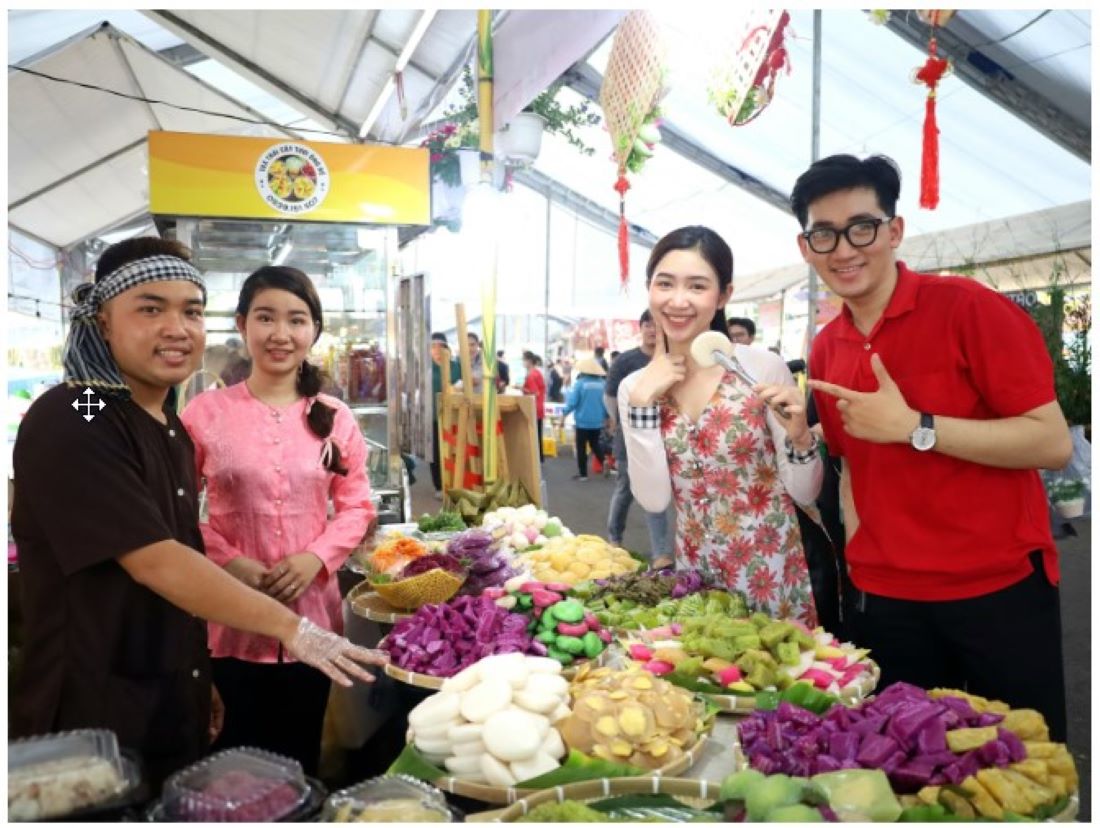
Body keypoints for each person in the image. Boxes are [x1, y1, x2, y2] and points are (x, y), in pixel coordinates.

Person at [10, 238, 384, 790]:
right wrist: (290, 627)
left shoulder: (160, 421)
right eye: (150, 308)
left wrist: (194, 675)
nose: (177, 327)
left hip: (165, 693)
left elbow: (185, 533)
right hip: (93, 711)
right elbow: (158, 560)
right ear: (102, 320)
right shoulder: (79, 412)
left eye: (190, 310)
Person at [794, 154, 1072, 739]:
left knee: (1022, 775)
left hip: (996, 593)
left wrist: (917, 426)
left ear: (894, 231)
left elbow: (1050, 442)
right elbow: (851, 470)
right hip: (886, 601)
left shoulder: (968, 308)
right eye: (825, 233)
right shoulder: (826, 347)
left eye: (861, 227)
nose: (844, 249)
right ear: (807, 247)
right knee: (905, 773)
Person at [181, 266, 377, 774]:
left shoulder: (334, 416)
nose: (281, 334)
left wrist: (316, 557)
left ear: (314, 330)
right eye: (266, 317)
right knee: (230, 766)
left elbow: (357, 505)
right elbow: (176, 509)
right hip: (228, 624)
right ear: (244, 325)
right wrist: (229, 561)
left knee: (300, 760)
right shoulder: (205, 413)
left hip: (313, 625)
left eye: (296, 320)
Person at [620, 226, 822, 622]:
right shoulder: (636, 387)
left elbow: (804, 491)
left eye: (697, 286)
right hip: (698, 580)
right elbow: (655, 501)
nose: (678, 301)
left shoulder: (761, 367)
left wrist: (800, 437)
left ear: (723, 295)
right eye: (665, 284)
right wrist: (644, 404)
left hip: (775, 575)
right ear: (650, 289)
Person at [605, 310, 670, 562]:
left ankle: (661, 552)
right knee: (625, 489)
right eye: (648, 324)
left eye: (658, 325)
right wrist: (623, 422)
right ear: (641, 328)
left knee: (659, 494)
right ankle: (614, 538)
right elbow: (610, 398)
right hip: (629, 438)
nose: (654, 329)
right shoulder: (626, 361)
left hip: (665, 440)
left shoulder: (674, 360)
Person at [563, 356, 608, 481]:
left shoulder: (580, 384)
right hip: (597, 421)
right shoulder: (603, 384)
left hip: (582, 422)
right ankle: (603, 460)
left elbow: (572, 402)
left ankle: (583, 474)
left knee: (581, 447)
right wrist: (607, 417)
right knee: (595, 444)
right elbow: (606, 403)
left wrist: (564, 414)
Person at [430, 332, 460, 498]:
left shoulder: (456, 366)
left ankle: (455, 483)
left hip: (454, 416)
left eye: (440, 346)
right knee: (435, 452)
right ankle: (439, 485)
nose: (436, 350)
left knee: (454, 449)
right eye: (433, 347)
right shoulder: (426, 368)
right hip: (433, 416)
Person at [520, 351, 547, 463]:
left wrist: (522, 389)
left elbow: (535, 393)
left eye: (523, 360)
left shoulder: (531, 375)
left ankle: (536, 458)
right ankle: (539, 457)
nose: (523, 362)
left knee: (533, 434)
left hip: (533, 407)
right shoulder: (537, 373)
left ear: (529, 361)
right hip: (539, 407)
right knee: (538, 434)